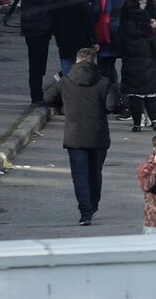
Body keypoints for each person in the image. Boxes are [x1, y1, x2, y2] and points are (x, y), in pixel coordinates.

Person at [45, 48, 112, 226]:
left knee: (80, 175)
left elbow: (48, 98)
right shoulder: (104, 82)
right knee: (95, 172)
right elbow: (112, 105)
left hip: (75, 135)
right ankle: (93, 203)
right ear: (94, 62)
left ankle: (85, 211)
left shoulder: (65, 82)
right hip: (98, 135)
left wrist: (64, 104)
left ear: (76, 62)